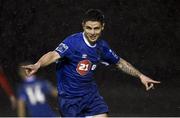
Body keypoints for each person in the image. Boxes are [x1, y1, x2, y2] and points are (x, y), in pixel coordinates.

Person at [22, 9, 161, 117]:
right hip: (70, 100)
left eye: (96, 28)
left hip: (91, 96)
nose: (92, 32)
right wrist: (38, 64)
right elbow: (53, 55)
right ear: (83, 26)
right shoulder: (72, 42)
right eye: (89, 28)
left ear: (103, 27)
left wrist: (141, 76)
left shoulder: (102, 47)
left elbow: (119, 62)